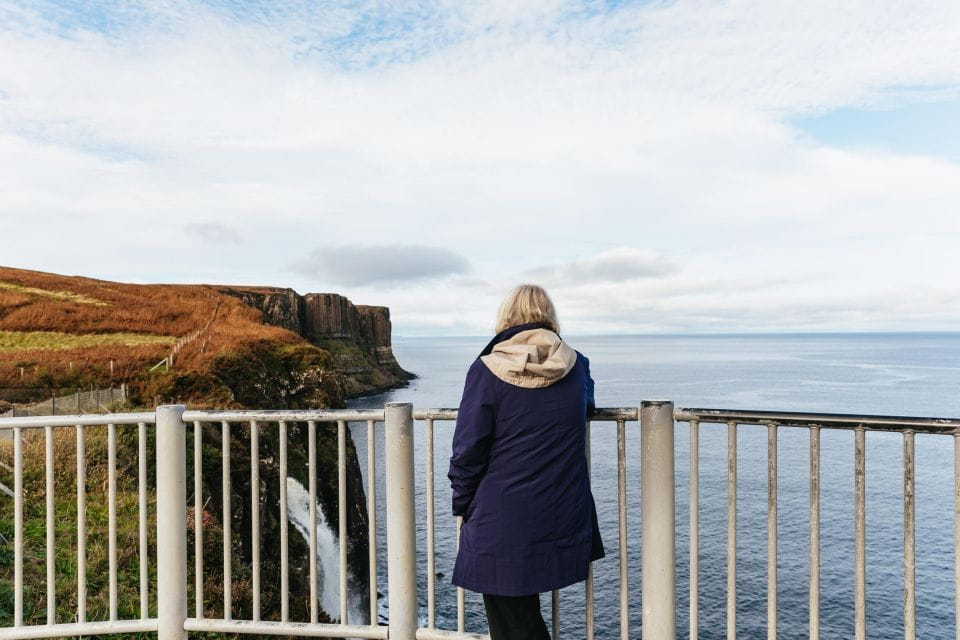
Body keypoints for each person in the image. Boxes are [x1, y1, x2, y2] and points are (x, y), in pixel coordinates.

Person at [447, 284, 604, 639]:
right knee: (521, 621)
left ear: (506, 318)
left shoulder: (486, 369)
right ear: (551, 318)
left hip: (503, 516)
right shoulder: (577, 366)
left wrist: (463, 504)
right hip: (562, 510)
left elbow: (467, 450)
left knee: (511, 624)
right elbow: (587, 405)